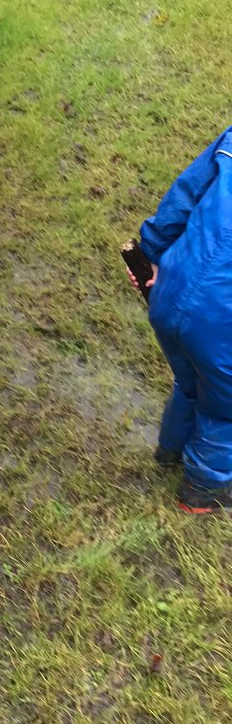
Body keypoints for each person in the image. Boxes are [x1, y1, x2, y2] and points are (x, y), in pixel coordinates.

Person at [133, 128, 232, 513]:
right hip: (221, 319)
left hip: (172, 289)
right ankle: (203, 490)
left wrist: (150, 253)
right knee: (225, 408)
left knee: (191, 379)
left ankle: (169, 450)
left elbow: (186, 194)